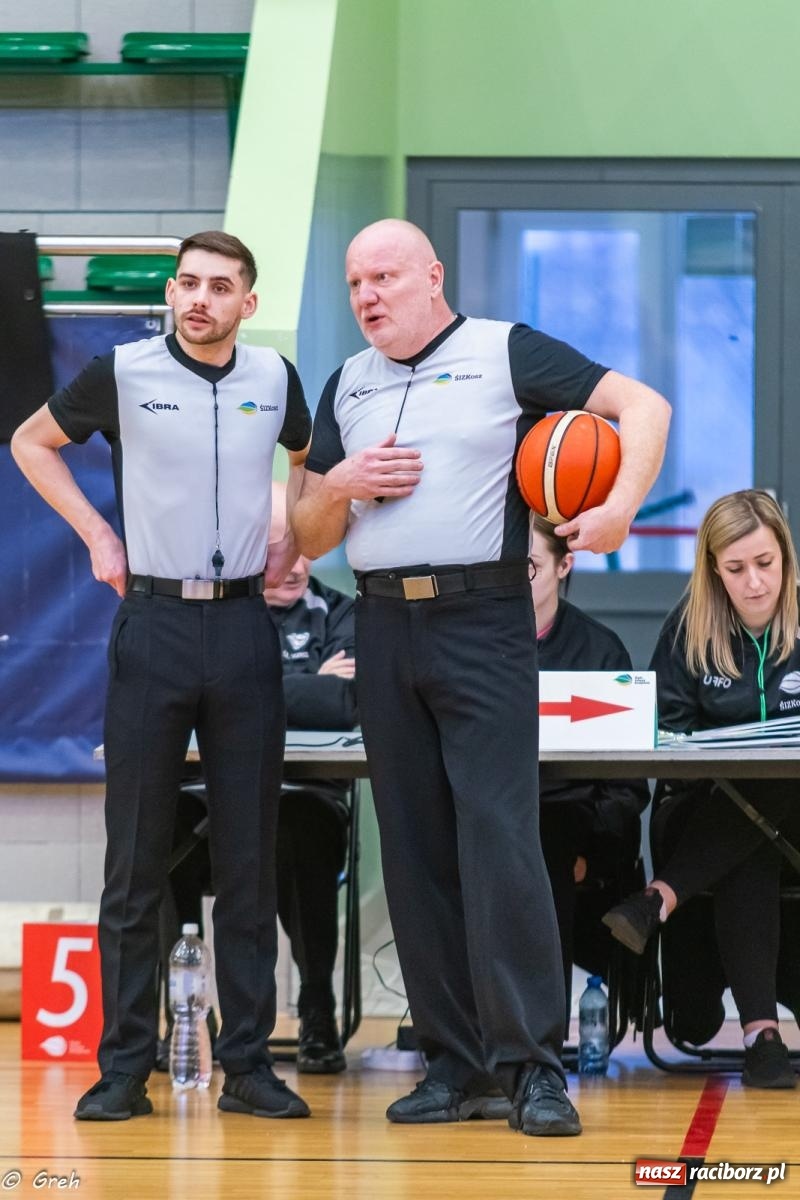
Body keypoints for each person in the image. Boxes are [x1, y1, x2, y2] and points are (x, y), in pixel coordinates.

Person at [292, 217, 671, 1136]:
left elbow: (644, 407)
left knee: (500, 839)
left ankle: (532, 1066)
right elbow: (307, 535)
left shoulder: (505, 352)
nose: (367, 295)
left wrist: (619, 509)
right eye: (353, 283)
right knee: (414, 850)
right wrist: (340, 486)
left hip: (483, 620)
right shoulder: (347, 382)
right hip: (381, 618)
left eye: (383, 276)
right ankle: (456, 1067)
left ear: (432, 276)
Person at [10, 231, 313, 1121]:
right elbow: (34, 444)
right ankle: (122, 1067)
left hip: (244, 627)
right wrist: (99, 537)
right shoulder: (123, 371)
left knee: (249, 859)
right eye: (187, 283)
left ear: (246, 305)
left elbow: (307, 462)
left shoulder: (276, 380)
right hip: (152, 625)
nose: (200, 299)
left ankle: (249, 1065)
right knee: (134, 860)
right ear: (172, 292)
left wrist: (292, 531)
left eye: (220, 287)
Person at [157, 484, 357, 1075]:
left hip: (303, 799)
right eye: (279, 550)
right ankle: (186, 1018)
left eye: (304, 549)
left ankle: (316, 1011)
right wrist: (304, 684)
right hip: (206, 799)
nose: (295, 565)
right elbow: (189, 701)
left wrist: (237, 691)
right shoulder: (211, 612)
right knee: (160, 836)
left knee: (297, 831)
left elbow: (345, 702)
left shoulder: (341, 611)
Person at [603, 489, 800, 1089]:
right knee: (752, 824)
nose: (755, 583)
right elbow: (667, 738)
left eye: (765, 564)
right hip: (699, 811)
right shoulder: (688, 629)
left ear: (786, 560)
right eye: (736, 569)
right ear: (714, 569)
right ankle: (761, 1035)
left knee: (776, 792)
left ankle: (659, 899)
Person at [531, 517, 649, 1035]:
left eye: (529, 568)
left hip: (575, 832)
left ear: (564, 565)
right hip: (495, 821)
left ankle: (542, 1040)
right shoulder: (475, 652)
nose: (516, 583)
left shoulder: (602, 651)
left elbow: (627, 788)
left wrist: (591, 854)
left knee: (547, 834)